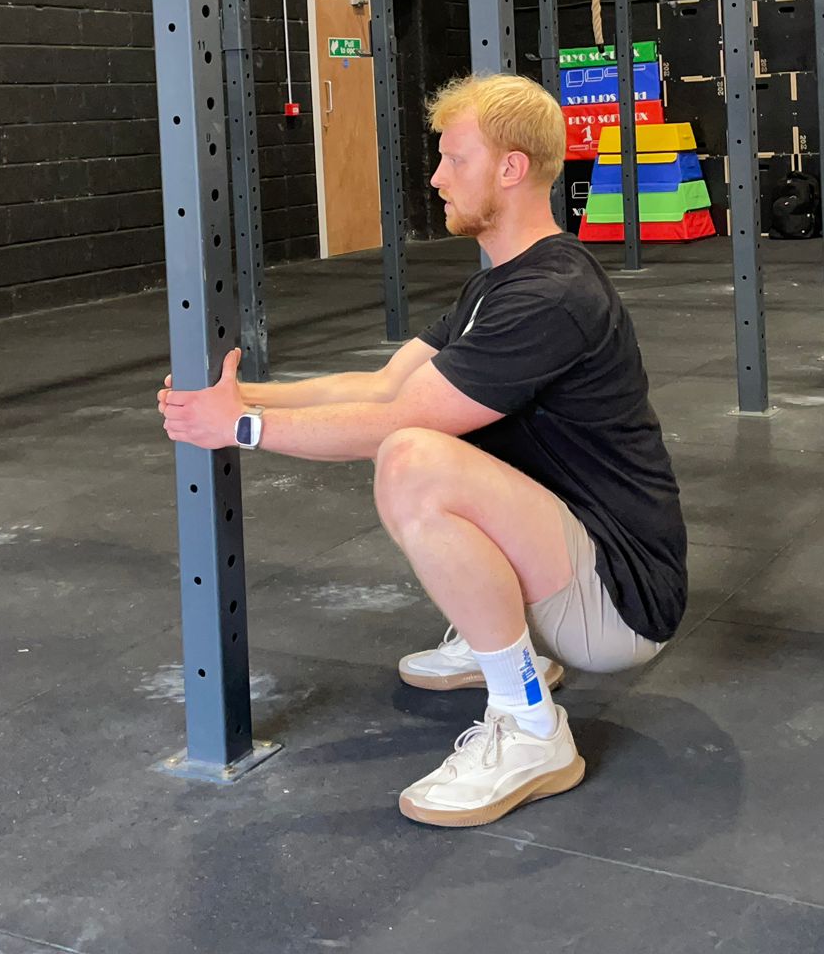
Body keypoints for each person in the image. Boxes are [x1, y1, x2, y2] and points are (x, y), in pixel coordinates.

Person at [158, 72, 686, 829]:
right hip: (568, 553)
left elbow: (394, 423)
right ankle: (500, 646)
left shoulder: (552, 297)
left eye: (454, 159)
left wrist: (241, 431)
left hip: (619, 600)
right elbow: (380, 386)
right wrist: (239, 399)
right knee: (413, 441)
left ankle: (530, 724)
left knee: (412, 460)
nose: (436, 178)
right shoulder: (498, 286)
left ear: (510, 168)